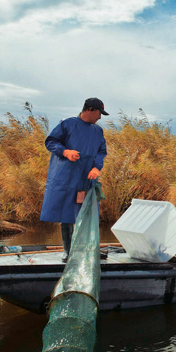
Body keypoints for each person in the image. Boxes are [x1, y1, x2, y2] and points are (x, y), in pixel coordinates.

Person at [40, 98, 108, 261]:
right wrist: (65, 152)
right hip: (66, 178)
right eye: (99, 113)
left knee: (89, 214)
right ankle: (68, 252)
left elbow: (101, 151)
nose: (100, 117)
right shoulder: (67, 124)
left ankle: (91, 250)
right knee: (67, 214)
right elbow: (50, 141)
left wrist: (96, 167)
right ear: (91, 110)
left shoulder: (98, 131)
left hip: (87, 179)